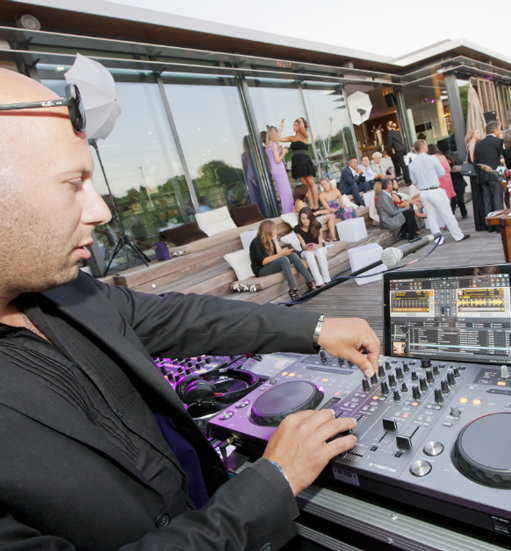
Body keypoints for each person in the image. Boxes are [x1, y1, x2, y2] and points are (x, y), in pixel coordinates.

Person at [0, 68, 380, 549]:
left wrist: (317, 327)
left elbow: (183, 318)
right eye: (74, 183)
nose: (102, 211)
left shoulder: (68, 292)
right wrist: (272, 483)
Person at [408, 139, 469, 243]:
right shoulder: (432, 158)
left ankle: (438, 240)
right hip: (434, 189)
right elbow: (441, 172)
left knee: (431, 217)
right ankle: (458, 236)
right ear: (423, 147)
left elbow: (414, 181)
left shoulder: (412, 164)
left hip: (423, 192)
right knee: (447, 214)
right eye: (426, 145)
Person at [250, 219, 317, 300]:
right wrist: (281, 254)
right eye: (274, 229)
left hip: (271, 264)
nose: (276, 231)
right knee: (283, 259)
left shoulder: (270, 240)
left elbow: (279, 253)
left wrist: (275, 241)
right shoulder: (255, 243)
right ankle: (293, 290)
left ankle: (310, 281)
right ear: (268, 230)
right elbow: (264, 261)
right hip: (261, 270)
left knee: (293, 255)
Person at [280, 117, 319, 209]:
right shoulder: (292, 137)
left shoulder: (304, 136)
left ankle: (316, 205)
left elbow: (302, 128)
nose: (294, 127)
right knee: (305, 185)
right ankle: (311, 205)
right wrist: (281, 127)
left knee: (311, 183)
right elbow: (279, 138)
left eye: (296, 125)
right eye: (294, 125)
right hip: (296, 162)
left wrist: (300, 120)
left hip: (304, 160)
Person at [474, 120, 505, 229]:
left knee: (487, 201)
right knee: (497, 199)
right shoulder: (498, 141)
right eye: (499, 129)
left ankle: (490, 226)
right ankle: (499, 226)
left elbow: (476, 162)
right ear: (495, 130)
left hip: (483, 176)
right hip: (495, 175)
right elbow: (503, 156)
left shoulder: (478, 144)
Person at [294, 207, 333, 287]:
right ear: (300, 218)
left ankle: (327, 279)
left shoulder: (317, 225)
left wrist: (316, 246)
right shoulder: (297, 228)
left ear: (311, 218)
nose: (305, 220)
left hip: (319, 247)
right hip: (306, 251)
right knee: (309, 254)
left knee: (320, 252)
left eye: (307, 218)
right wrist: (307, 247)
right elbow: (303, 246)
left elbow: (320, 244)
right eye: (303, 218)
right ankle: (319, 282)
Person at [264, 126, 294, 214]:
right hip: (279, 169)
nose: (278, 134)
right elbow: (277, 160)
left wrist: (281, 127)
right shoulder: (274, 145)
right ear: (274, 133)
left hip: (274, 170)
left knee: (283, 192)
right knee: (286, 192)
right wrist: (284, 153)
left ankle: (287, 211)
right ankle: (288, 212)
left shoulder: (267, 146)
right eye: (276, 133)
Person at [241, 136, 268, 216]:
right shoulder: (255, 152)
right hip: (256, 174)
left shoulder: (244, 155)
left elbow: (245, 168)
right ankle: (264, 212)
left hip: (249, 176)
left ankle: (259, 214)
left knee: (255, 196)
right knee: (261, 195)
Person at [445, 150, 468, 219]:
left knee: (460, 200)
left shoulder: (458, 162)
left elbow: (464, 168)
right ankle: (452, 214)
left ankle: (464, 213)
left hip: (460, 183)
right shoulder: (446, 165)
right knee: (453, 201)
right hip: (452, 185)